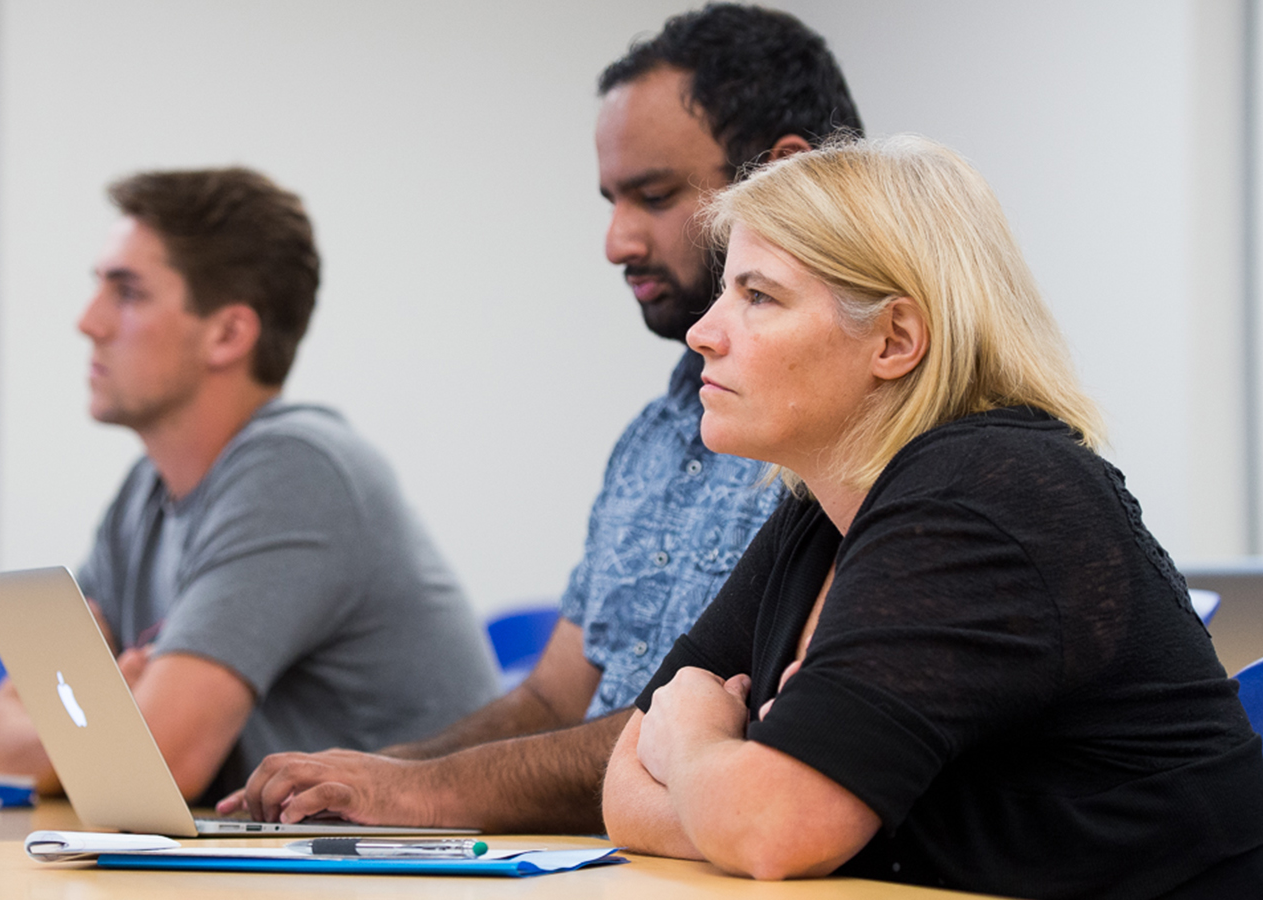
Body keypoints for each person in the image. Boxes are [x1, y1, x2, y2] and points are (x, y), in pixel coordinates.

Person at [220, 4, 858, 832]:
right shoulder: (653, 436)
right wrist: (376, 776)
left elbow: (726, 729)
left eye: (654, 195)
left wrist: (421, 794)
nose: (616, 240)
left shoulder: (849, 450)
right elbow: (554, 698)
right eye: (611, 199)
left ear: (782, 175)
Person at [601, 135, 1263, 897]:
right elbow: (624, 791)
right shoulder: (824, 504)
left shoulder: (988, 492)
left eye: (758, 296)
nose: (706, 331)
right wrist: (734, 796)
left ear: (895, 340)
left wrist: (695, 738)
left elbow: (773, 829)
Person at [0, 168, 500, 804]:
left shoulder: (298, 471)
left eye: (128, 293)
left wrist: (113, 721)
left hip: (395, 887)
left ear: (227, 334)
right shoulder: (144, 494)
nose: (89, 322)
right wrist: (104, 728)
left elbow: (153, 765)